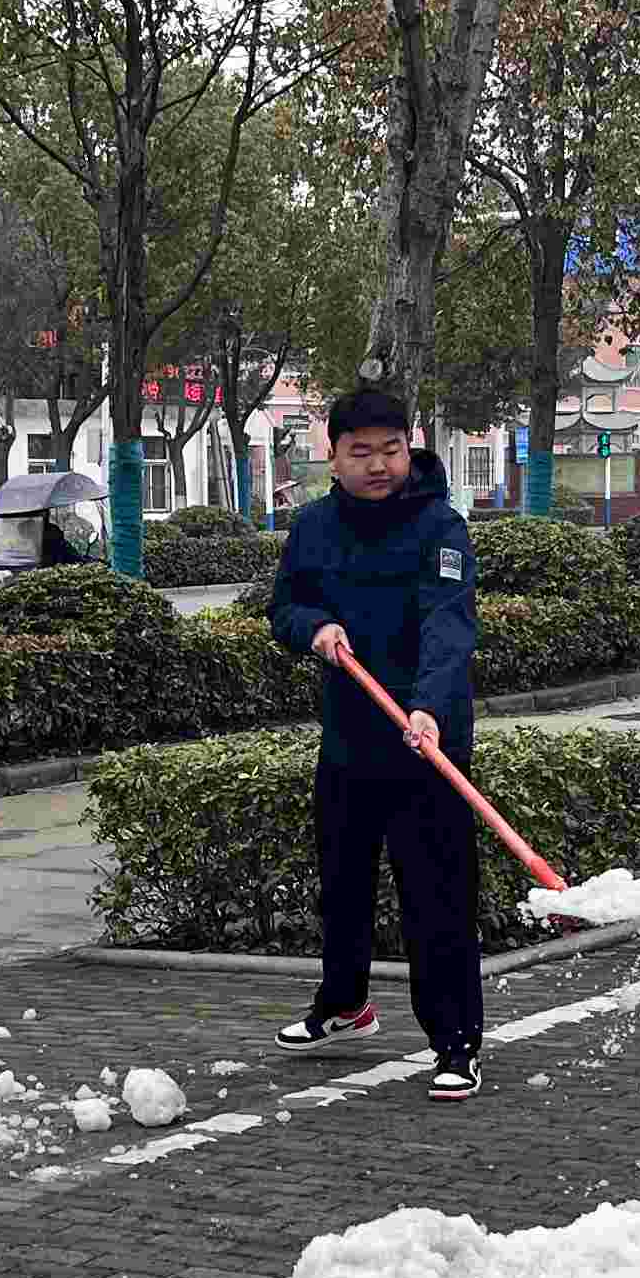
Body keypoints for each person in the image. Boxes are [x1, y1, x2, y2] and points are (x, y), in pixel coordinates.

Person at [267, 383, 482, 1098]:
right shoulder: (314, 527)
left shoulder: (440, 527)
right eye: (361, 452)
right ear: (333, 456)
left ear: (409, 447)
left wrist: (428, 709)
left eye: (391, 449)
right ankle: (344, 1006)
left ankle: (456, 1043)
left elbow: (449, 625)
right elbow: (285, 605)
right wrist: (314, 628)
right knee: (342, 888)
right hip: (349, 739)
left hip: (427, 743)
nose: (380, 464)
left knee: (436, 898)